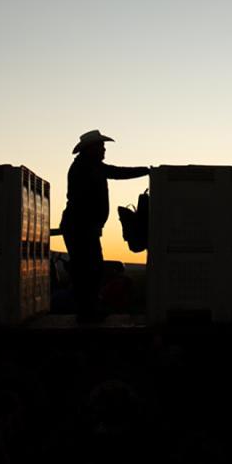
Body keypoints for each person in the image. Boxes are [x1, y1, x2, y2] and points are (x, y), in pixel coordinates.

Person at [60, 129, 148, 321]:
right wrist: (147, 171)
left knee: (89, 269)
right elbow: (117, 172)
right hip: (81, 228)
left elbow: (115, 172)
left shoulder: (87, 166)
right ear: (90, 148)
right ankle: (87, 313)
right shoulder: (88, 167)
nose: (104, 150)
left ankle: (87, 311)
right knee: (89, 269)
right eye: (101, 146)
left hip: (82, 227)